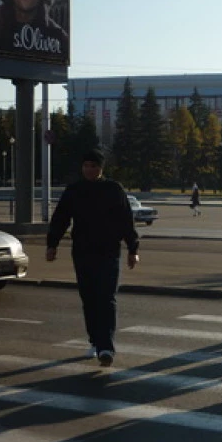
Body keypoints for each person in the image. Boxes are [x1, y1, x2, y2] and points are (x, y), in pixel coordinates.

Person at [46, 150, 139, 368]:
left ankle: (106, 347)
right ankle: (95, 340)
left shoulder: (113, 189)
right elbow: (61, 218)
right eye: (86, 165)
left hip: (108, 252)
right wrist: (52, 245)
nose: (89, 169)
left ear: (101, 169)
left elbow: (126, 220)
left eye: (94, 166)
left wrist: (133, 248)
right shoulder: (74, 190)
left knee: (106, 297)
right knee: (89, 299)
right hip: (82, 252)